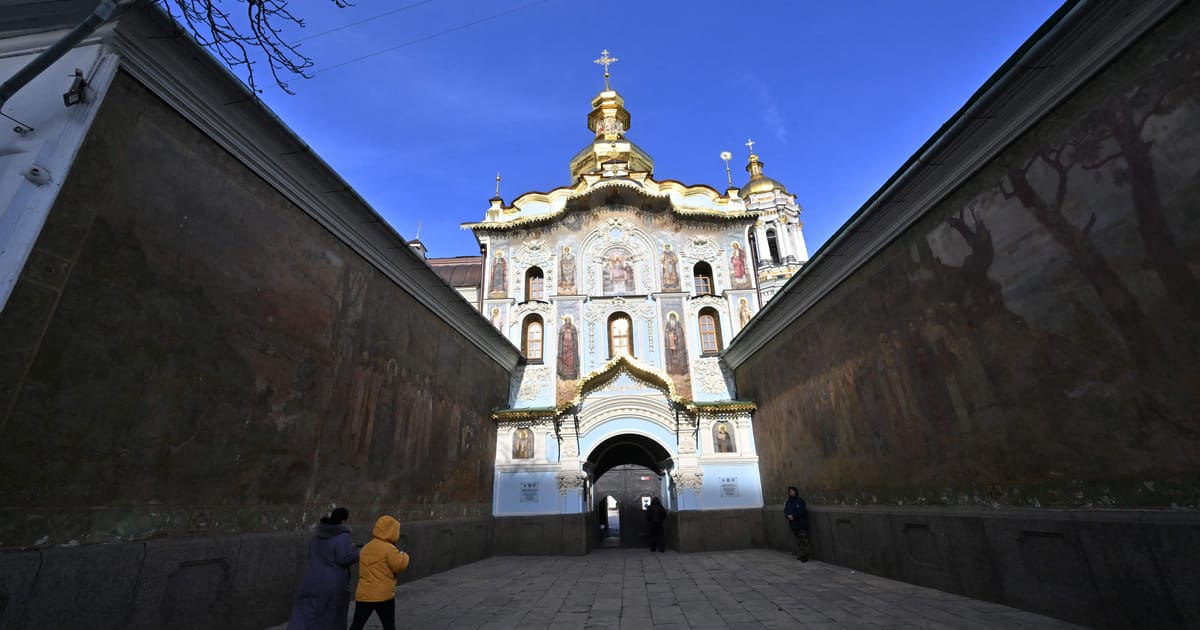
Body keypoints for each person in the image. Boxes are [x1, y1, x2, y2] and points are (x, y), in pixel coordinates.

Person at [287, 507, 359, 630]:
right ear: (344, 520)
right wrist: (359, 552)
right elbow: (344, 559)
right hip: (332, 583)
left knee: (306, 612)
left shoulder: (317, 536)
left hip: (311, 579)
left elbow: (311, 554)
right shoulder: (343, 536)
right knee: (330, 614)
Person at [348, 515, 411, 630]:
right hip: (383, 595)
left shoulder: (366, 547)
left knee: (357, 625)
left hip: (364, 593)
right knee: (388, 625)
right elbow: (399, 566)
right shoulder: (390, 549)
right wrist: (404, 556)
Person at [784, 486, 810, 561]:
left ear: (795, 492)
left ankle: (806, 556)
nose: (791, 493)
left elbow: (802, 511)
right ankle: (801, 554)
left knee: (804, 540)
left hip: (801, 524)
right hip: (793, 525)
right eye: (790, 491)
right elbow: (785, 511)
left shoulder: (800, 501)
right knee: (798, 541)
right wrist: (787, 515)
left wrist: (793, 516)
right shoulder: (788, 502)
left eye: (792, 491)